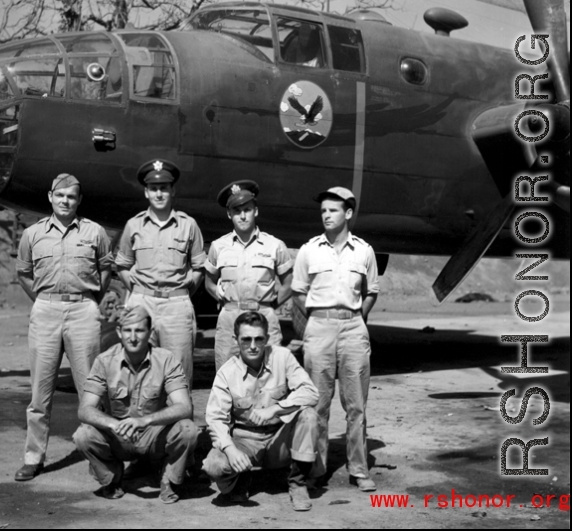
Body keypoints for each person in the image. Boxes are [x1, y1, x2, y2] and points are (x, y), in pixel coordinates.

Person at [14, 173, 112, 481]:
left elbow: (105, 268)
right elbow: (24, 272)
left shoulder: (95, 232)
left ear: (79, 200)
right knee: (39, 393)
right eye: (60, 196)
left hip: (83, 310)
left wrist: (91, 301)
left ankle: (99, 456)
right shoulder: (32, 234)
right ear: (50, 197)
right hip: (45, 311)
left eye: (71, 196)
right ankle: (33, 457)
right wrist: (44, 300)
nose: (65, 201)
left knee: (92, 391)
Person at [291, 186, 379, 492]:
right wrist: (318, 320)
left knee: (356, 406)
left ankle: (359, 469)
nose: (326, 216)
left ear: (348, 213)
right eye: (323, 211)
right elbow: (299, 291)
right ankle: (316, 468)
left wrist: (355, 319)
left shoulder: (364, 251)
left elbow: (371, 291)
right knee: (318, 405)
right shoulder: (308, 250)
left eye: (333, 210)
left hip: (354, 329)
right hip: (319, 330)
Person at [73, 306, 198, 503]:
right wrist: (113, 424)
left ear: (150, 332)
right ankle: (112, 477)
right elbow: (85, 409)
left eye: (139, 330)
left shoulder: (166, 360)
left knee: (188, 429)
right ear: (118, 333)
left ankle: (168, 479)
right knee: (83, 435)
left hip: (153, 435)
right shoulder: (104, 361)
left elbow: (184, 406)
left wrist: (145, 421)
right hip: (118, 434)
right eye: (127, 330)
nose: (133, 337)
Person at [203, 312, 320, 511]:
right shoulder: (226, 373)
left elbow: (311, 392)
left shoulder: (282, 357)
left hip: (278, 439)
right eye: (246, 339)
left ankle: (297, 482)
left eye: (259, 339)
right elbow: (215, 419)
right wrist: (231, 450)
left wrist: (275, 409)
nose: (253, 345)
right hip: (245, 440)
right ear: (236, 340)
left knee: (308, 415)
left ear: (267, 339)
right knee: (213, 465)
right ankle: (241, 476)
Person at [115, 159, 206, 386]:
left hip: (176, 306)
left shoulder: (188, 225)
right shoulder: (134, 225)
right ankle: (141, 420)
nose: (159, 194)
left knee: (179, 372)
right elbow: (123, 265)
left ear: (172, 190)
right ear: (146, 192)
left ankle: (180, 420)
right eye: (154, 189)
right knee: (138, 370)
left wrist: (181, 294)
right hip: (141, 303)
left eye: (163, 188)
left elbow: (198, 268)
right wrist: (138, 293)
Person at [205, 180, 293, 371]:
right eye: (237, 211)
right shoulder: (218, 247)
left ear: (256, 211)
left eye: (247, 209)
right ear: (229, 214)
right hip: (229, 320)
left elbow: (288, 283)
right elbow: (209, 282)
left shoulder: (275, 246)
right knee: (227, 379)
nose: (242, 216)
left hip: (264, 317)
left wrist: (268, 306)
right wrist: (224, 302)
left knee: (269, 380)